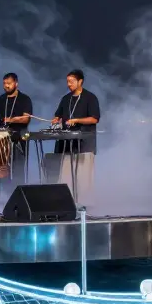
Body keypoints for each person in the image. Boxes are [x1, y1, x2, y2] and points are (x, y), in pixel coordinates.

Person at [51, 68, 100, 204]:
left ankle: (85, 205)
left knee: (83, 178)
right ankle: (67, 203)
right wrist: (56, 120)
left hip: (85, 144)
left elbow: (94, 119)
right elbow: (58, 115)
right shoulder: (65, 99)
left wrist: (76, 120)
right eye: (67, 82)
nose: (69, 84)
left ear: (80, 81)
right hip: (67, 144)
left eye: (72, 81)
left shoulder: (90, 98)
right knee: (66, 176)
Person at [0, 72, 34, 195]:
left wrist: (11, 120)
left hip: (19, 137)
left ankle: (18, 196)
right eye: (4, 84)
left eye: (9, 83)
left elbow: (26, 119)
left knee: (17, 169)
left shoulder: (25, 99)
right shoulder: (1, 99)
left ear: (16, 84)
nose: (6, 86)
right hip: (2, 138)